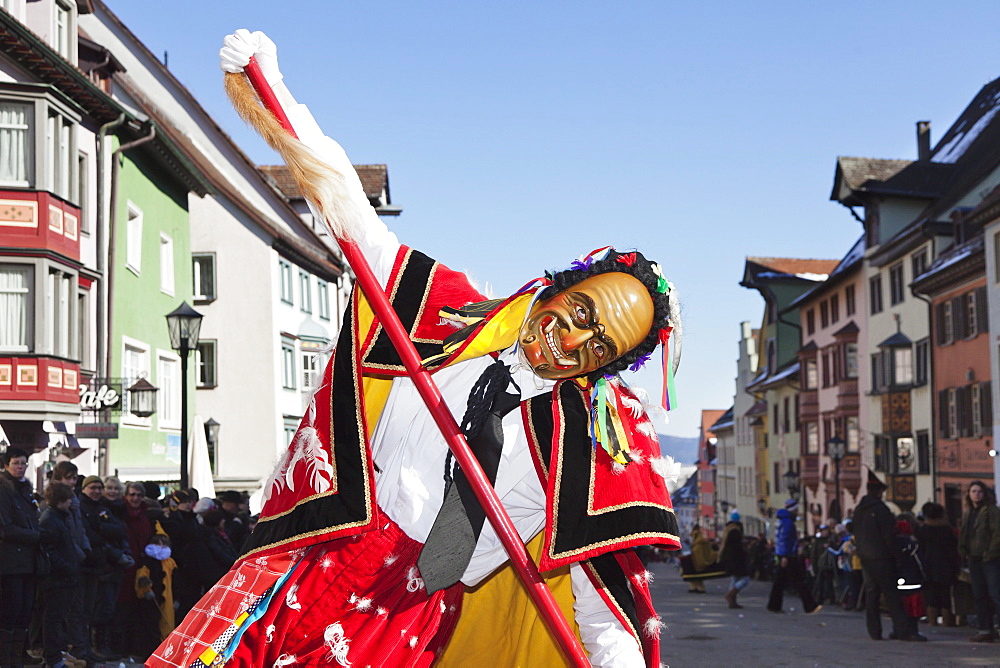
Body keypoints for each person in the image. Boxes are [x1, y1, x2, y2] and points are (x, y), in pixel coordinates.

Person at [150, 29, 682, 668]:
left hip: (409, 613)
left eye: (599, 345)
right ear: (551, 292)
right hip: (314, 558)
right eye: (578, 313)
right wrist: (274, 88)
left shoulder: (581, 447)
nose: (573, 341)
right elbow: (347, 202)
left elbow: (600, 598)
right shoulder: (443, 313)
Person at [853, 471, 924, 641]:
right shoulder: (881, 510)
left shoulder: (859, 510)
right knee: (892, 596)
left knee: (872, 595)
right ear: (879, 492)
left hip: (866, 557)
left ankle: (874, 631)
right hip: (883, 558)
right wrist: (898, 555)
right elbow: (889, 536)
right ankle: (902, 630)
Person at [0, 447, 42, 668]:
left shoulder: (25, 491)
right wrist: (36, 537)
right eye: (16, 463)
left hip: (28, 562)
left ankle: (16, 659)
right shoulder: (3, 489)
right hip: (10, 563)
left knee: (24, 612)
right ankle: (6, 660)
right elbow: (6, 528)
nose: (20, 467)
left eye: (23, 463)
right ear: (6, 465)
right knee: (11, 611)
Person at [38, 481, 84, 668]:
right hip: (58, 579)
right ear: (62, 500)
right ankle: (54, 658)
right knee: (53, 619)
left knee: (57, 618)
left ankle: (58, 654)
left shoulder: (57, 517)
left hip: (63, 577)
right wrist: (67, 566)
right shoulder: (51, 519)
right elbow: (50, 550)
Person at [958, 480, 1000, 643]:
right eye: (974, 491)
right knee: (979, 595)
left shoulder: (991, 511)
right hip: (974, 558)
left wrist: (990, 553)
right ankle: (985, 629)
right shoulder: (969, 512)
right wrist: (963, 550)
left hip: (989, 559)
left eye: (980, 491)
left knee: (995, 594)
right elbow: (965, 534)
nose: (977, 494)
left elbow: (997, 533)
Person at [767, 498, 821, 614]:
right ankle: (810, 605)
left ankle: (774, 605)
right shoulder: (788, 523)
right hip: (788, 555)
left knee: (780, 582)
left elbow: (780, 539)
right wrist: (786, 555)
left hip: (783, 554)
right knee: (799, 581)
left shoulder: (781, 521)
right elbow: (786, 540)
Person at [915, 502, 959, 627]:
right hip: (946, 565)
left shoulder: (923, 530)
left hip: (928, 565)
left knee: (931, 595)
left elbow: (919, 549)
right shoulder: (947, 530)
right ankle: (946, 620)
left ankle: (932, 620)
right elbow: (953, 550)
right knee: (945, 595)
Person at [134, 533, 178, 658]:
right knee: (149, 625)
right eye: (158, 543)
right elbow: (141, 576)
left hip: (166, 598)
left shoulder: (170, 562)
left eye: (164, 544)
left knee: (166, 622)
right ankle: (148, 652)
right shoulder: (146, 561)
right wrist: (145, 590)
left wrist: (178, 598)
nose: (161, 546)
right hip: (151, 599)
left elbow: (177, 581)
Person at [718, 511, 750, 608]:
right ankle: (731, 594)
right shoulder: (735, 531)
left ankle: (732, 602)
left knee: (735, 578)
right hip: (736, 558)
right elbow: (736, 546)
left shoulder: (728, 529)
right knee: (745, 578)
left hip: (729, 557)